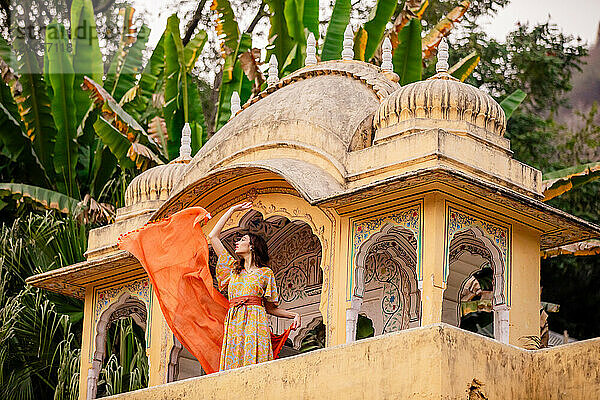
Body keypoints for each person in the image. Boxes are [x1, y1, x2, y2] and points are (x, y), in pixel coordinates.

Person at [208, 202, 301, 371]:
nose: (237, 242)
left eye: (242, 240)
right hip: (235, 322)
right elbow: (213, 236)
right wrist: (231, 210)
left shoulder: (265, 273)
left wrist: (294, 315)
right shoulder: (232, 270)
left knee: (254, 364)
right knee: (233, 366)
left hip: (256, 322)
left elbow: (271, 308)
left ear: (252, 246)